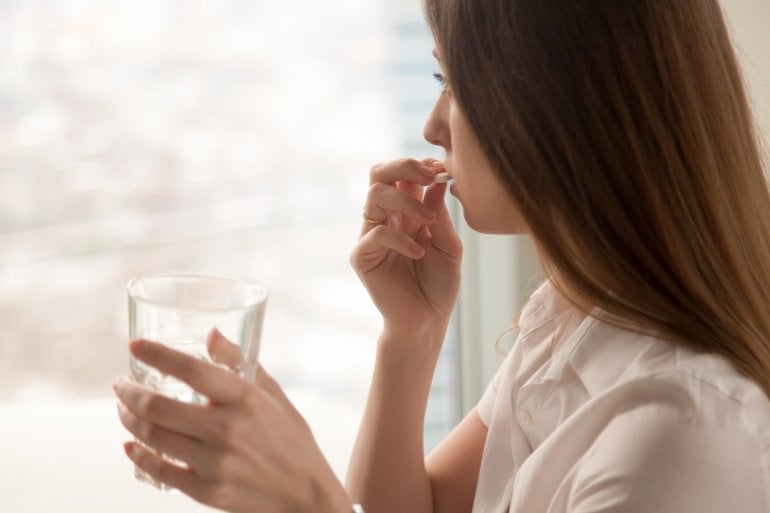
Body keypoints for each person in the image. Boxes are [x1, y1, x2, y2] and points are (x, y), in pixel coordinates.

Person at [114, 0, 770, 512]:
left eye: (454, 82)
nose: (433, 124)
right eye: (437, 77)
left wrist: (304, 497)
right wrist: (411, 333)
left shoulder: (681, 435)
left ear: (558, 105)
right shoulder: (579, 319)